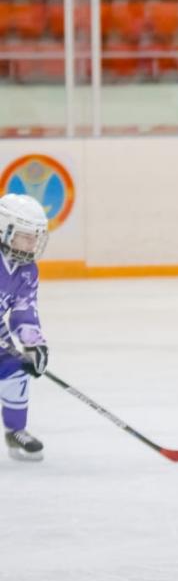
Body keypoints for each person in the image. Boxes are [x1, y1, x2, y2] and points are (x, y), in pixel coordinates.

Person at [0, 194, 50, 461]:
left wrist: (34, 344)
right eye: (27, 236)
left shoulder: (27, 270)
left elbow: (24, 310)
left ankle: (15, 432)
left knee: (16, 373)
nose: (33, 243)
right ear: (5, 230)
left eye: (36, 237)